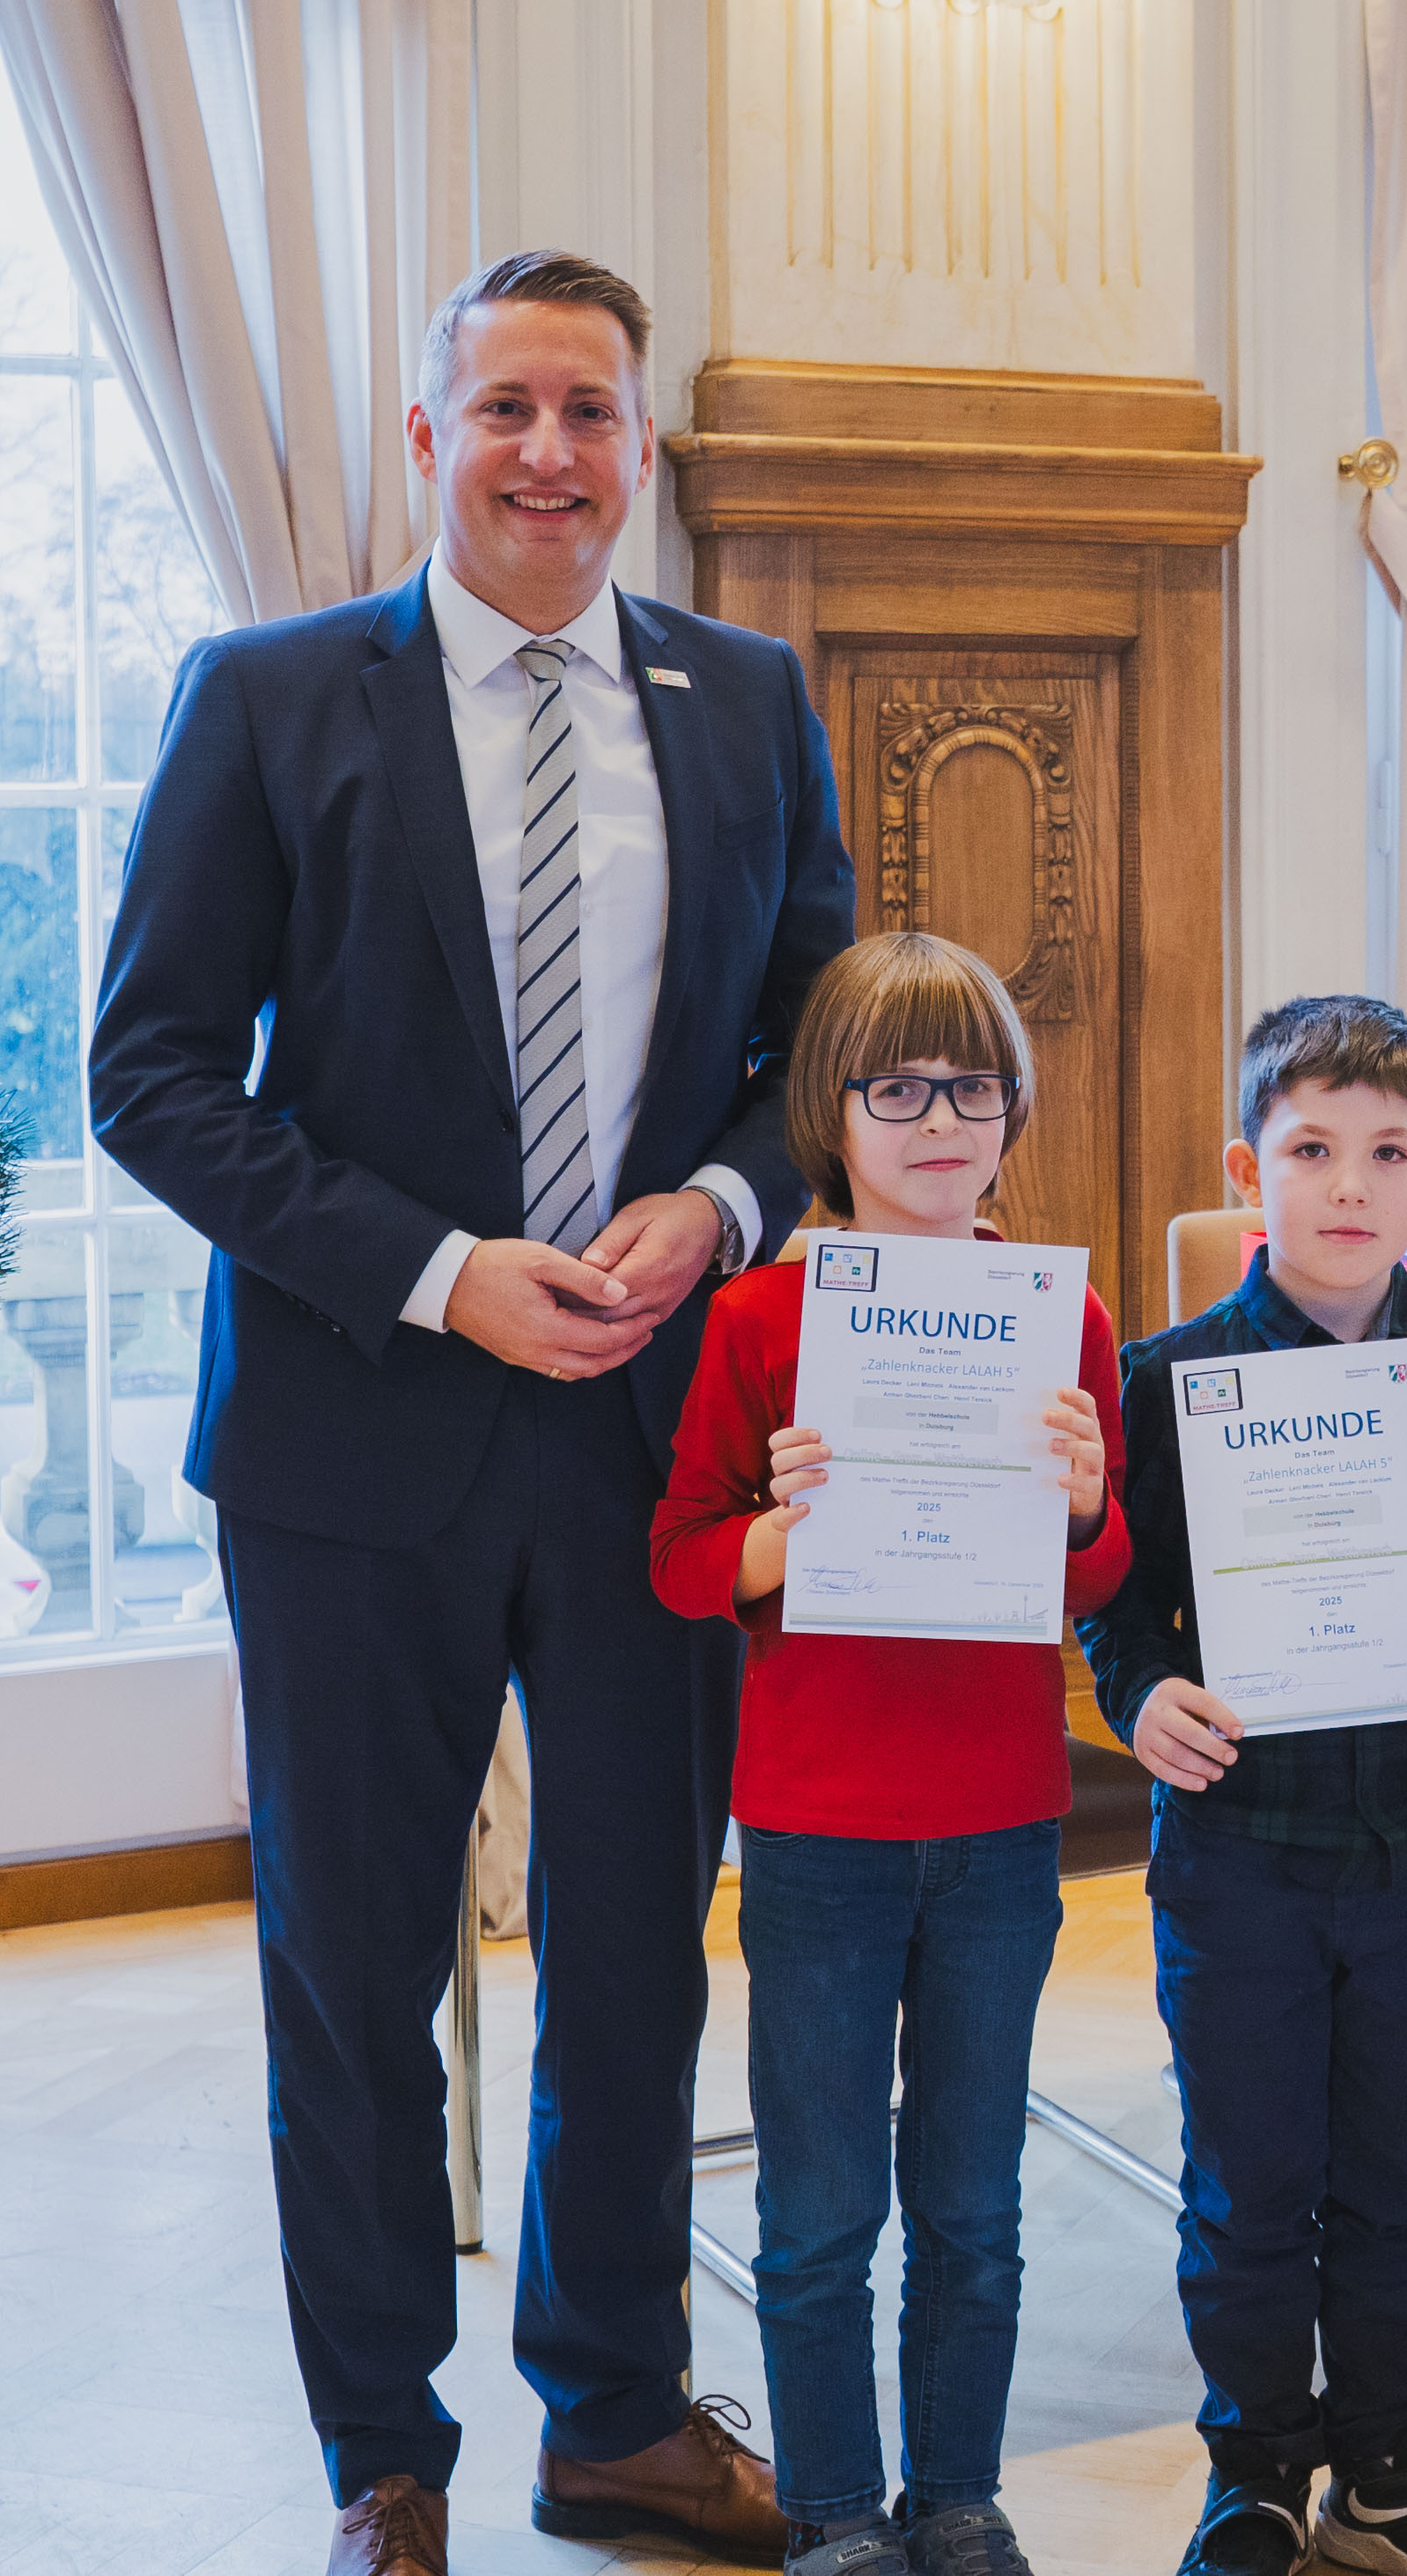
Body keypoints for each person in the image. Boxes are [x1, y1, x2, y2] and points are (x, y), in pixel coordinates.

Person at [90, 249, 855, 2576]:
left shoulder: (748, 701)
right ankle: (382, 2460)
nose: (547, 451)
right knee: (355, 1974)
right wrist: (441, 1278)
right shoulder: (268, 698)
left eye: (588, 412)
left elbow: (818, 1048)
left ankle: (612, 2416)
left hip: (650, 1442)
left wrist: (720, 1204)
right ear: (430, 439)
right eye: (506, 407)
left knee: (633, 1953)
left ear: (643, 452)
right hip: (351, 1445)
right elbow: (148, 1079)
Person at [646, 933, 1128, 2576]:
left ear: (1013, 1111)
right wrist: (778, 1535)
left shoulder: (1067, 1317)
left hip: (999, 1822)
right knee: (819, 2207)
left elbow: (1100, 1576)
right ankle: (837, 2513)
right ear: (829, 1113)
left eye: (972, 1089)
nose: (939, 1123)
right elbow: (678, 1555)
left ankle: (960, 2496)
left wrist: (1084, 1501)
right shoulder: (760, 1317)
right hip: (817, 1829)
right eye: (898, 1089)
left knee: (975, 2205)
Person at [1078, 997, 1407, 2576]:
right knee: (1249, 2183)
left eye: (1389, 1153)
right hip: (1238, 1857)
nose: (1350, 1185)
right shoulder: (1165, 1379)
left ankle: (1394, 2465)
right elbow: (1119, 1607)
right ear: (1246, 1168)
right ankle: (1259, 2467)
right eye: (1313, 1149)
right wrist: (1143, 1697)